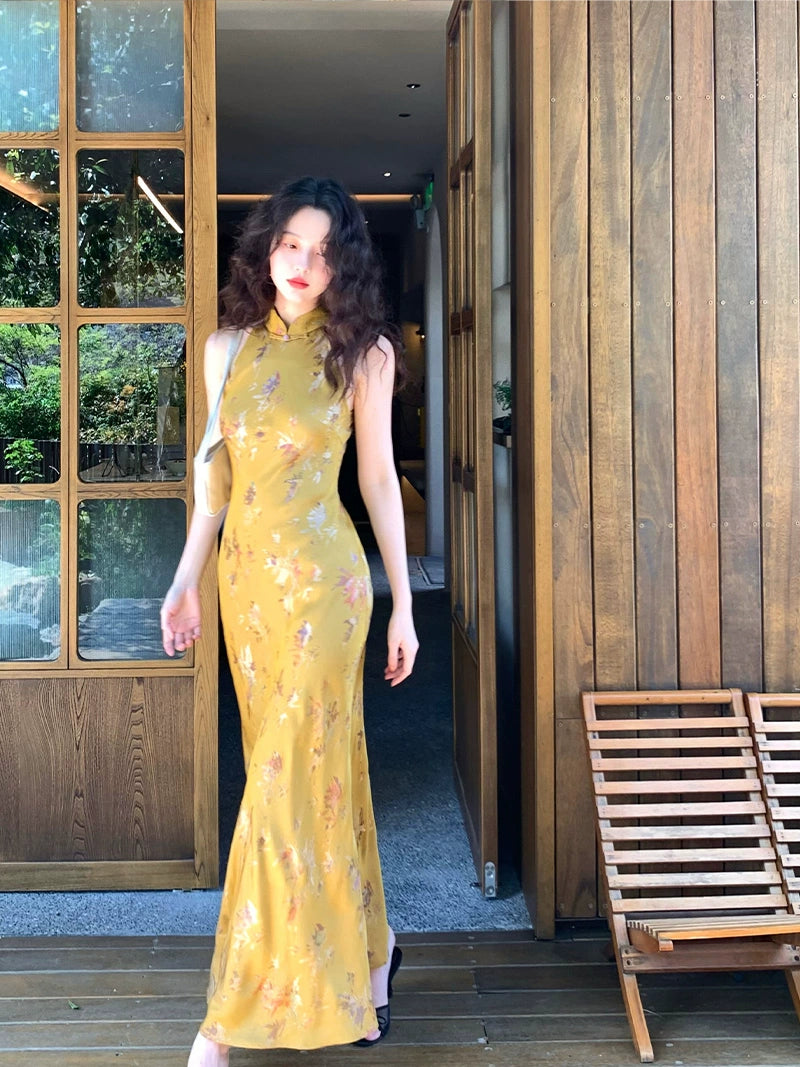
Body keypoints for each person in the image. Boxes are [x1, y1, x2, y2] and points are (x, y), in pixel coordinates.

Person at [160, 176, 419, 1065]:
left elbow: (377, 481)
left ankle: (222, 1020)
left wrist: (404, 603)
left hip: (325, 593)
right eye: (290, 244)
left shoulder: (363, 354)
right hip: (248, 594)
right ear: (266, 249)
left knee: (278, 786)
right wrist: (186, 581)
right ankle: (375, 949)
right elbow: (214, 484)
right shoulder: (225, 348)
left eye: (324, 250)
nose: (304, 264)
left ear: (345, 264)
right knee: (323, 777)